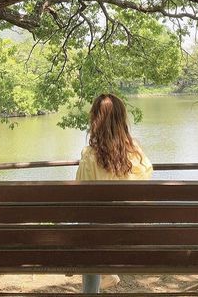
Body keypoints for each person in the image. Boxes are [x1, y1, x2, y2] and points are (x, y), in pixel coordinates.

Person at [75, 93, 153, 294]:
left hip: (99, 239)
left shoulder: (90, 156)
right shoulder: (137, 154)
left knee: (87, 229)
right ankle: (105, 273)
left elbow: (79, 198)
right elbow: (146, 189)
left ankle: (94, 287)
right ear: (122, 120)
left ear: (95, 120)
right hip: (134, 233)